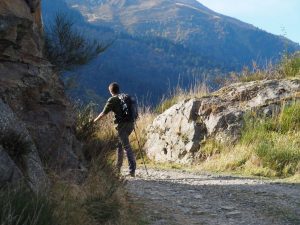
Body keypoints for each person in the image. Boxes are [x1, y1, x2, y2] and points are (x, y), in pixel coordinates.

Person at [94, 82, 136, 177]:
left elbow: (103, 113)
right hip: (131, 124)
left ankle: (132, 169)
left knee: (126, 146)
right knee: (120, 145)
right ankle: (118, 168)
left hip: (121, 125)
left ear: (110, 91)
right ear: (118, 89)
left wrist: (94, 121)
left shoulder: (112, 99)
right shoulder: (126, 97)